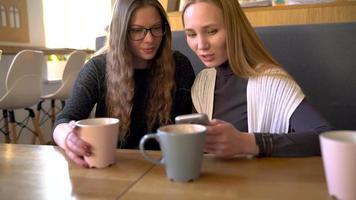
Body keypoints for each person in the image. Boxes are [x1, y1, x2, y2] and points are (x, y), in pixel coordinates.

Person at [53, 0, 195, 167]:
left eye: (156, 28)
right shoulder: (98, 68)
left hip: (167, 165)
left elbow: (187, 127)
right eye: (137, 31)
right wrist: (68, 138)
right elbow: (64, 120)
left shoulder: (179, 65)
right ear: (121, 32)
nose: (149, 39)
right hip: (113, 166)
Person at [181, 0, 332, 158]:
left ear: (234, 28)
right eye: (191, 34)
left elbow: (325, 137)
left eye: (211, 31)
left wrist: (246, 142)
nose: (201, 45)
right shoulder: (202, 84)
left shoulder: (273, 82)